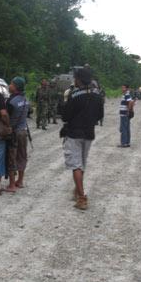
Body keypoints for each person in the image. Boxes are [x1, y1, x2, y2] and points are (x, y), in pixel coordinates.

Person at [62, 68, 104, 210]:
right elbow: (99, 115)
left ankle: (82, 198)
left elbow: (65, 116)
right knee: (82, 164)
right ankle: (77, 190)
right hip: (89, 133)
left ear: (79, 79)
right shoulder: (98, 95)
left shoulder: (74, 95)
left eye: (75, 78)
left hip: (74, 133)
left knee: (76, 165)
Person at [4, 76, 30, 192]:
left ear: (15, 87)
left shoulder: (11, 101)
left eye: (11, 84)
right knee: (22, 155)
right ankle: (20, 181)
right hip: (23, 132)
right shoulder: (25, 99)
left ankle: (12, 185)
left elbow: (6, 117)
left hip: (14, 133)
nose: (9, 85)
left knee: (11, 157)